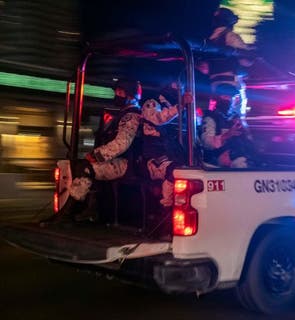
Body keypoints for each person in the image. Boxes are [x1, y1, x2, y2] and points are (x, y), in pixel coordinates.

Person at [44, 79, 183, 223]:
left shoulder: (131, 116)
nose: (117, 95)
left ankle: (71, 212)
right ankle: (80, 209)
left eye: (120, 92)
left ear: (130, 95)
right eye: (116, 92)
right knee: (81, 166)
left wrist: (96, 155)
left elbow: (121, 144)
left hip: (128, 163)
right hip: (123, 160)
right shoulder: (123, 114)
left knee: (86, 169)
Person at [205, 7, 254, 117]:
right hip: (232, 83)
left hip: (214, 85)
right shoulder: (230, 36)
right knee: (237, 117)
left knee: (216, 116)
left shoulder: (210, 40)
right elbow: (247, 61)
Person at [200, 84, 253, 168]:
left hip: (239, 154)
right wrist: (228, 134)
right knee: (241, 165)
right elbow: (207, 144)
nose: (230, 100)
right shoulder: (210, 117)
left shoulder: (233, 117)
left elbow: (247, 140)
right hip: (218, 159)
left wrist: (245, 129)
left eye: (232, 97)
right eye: (226, 96)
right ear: (219, 97)